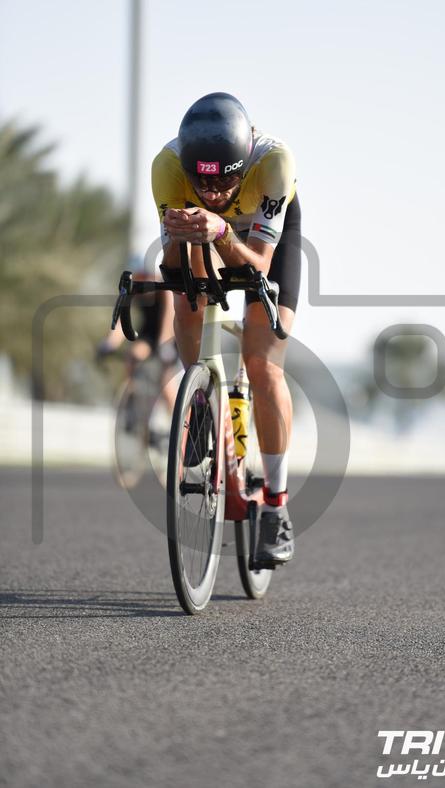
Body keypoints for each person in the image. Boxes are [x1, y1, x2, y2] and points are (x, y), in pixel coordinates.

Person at [151, 92, 301, 566]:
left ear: (245, 162)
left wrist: (221, 230)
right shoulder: (167, 168)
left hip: (260, 240)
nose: (213, 191)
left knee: (263, 365)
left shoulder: (274, 163)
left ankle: (275, 505)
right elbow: (172, 269)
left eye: (225, 180)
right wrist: (179, 234)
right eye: (202, 182)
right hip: (206, 235)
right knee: (187, 292)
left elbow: (259, 263)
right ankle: (200, 398)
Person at [97, 263, 179, 415]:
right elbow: (121, 322)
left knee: (165, 382)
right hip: (148, 334)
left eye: (148, 276)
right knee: (132, 355)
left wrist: (164, 345)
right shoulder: (134, 287)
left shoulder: (165, 291)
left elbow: (169, 317)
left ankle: (180, 422)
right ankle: (133, 398)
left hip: (169, 335)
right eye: (141, 276)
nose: (145, 281)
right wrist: (110, 343)